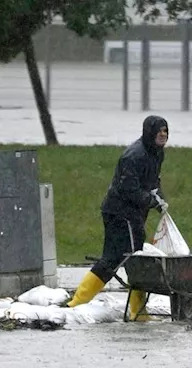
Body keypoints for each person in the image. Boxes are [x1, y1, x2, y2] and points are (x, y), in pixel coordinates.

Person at [66, 115, 170, 320]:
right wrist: (151, 200)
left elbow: (152, 180)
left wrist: (159, 197)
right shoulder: (134, 156)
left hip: (132, 214)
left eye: (166, 131)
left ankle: (79, 302)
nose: (163, 135)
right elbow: (128, 189)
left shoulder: (156, 154)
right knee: (133, 259)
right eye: (159, 132)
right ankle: (134, 311)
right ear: (149, 133)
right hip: (121, 213)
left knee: (119, 258)